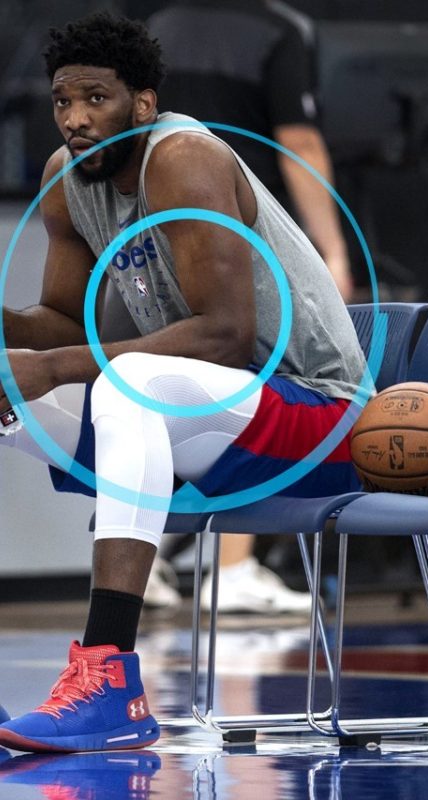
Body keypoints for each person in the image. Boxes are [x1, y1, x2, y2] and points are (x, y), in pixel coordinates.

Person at [0, 11, 366, 753]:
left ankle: (107, 678)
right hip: (206, 422)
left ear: (142, 102)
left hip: (315, 415)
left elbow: (227, 338)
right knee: (52, 393)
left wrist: (52, 368)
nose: (75, 119)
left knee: (129, 381)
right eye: (63, 101)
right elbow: (64, 324)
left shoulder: (185, 158)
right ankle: (105, 688)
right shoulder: (68, 180)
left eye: (95, 99)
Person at [141, 0, 355, 614]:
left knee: (162, 388)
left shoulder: (160, 24)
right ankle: (233, 566)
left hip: (156, 231)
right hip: (238, 229)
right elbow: (301, 141)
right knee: (255, 378)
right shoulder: (279, 30)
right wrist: (332, 252)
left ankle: (142, 559)